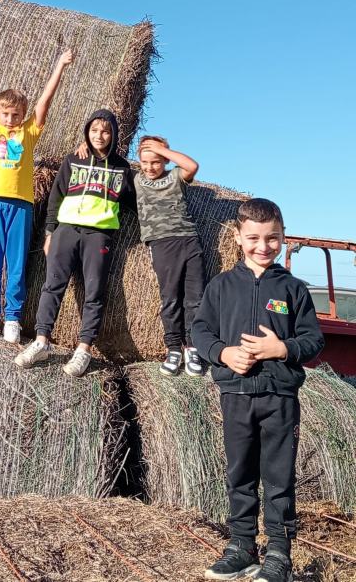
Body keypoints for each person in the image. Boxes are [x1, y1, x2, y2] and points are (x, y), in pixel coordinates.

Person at [192, 198, 323, 582]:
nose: (263, 246)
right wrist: (223, 353)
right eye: (253, 238)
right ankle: (242, 547)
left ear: (282, 237)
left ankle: (279, 554)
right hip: (235, 394)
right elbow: (201, 330)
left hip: (279, 398)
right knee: (240, 473)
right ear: (237, 237)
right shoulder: (221, 286)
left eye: (272, 238)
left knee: (279, 477)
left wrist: (282, 349)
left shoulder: (293, 289)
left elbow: (313, 340)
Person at [15, 109, 135, 377]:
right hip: (67, 230)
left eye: (105, 131)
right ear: (86, 132)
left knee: (94, 292)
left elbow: (136, 203)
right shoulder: (73, 160)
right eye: (94, 130)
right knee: (52, 286)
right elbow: (55, 198)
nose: (99, 136)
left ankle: (83, 350)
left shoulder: (122, 168)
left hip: (99, 235)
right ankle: (42, 341)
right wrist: (49, 233)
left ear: (114, 134)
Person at [0, 35, 72, 343]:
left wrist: (60, 66)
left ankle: (12, 317)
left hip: (20, 204)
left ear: (23, 114)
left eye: (16, 114)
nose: (11, 119)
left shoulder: (28, 132)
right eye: (6, 114)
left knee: (16, 262)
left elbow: (45, 102)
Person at [134, 135, 206, 377]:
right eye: (145, 161)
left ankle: (192, 348)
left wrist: (163, 150)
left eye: (156, 161)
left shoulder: (175, 176)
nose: (150, 167)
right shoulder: (137, 180)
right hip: (162, 243)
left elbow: (192, 166)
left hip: (189, 239)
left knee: (195, 298)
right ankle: (174, 348)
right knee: (171, 298)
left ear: (165, 160)